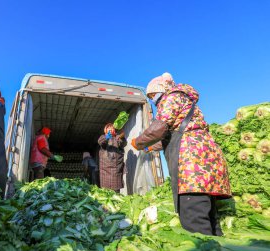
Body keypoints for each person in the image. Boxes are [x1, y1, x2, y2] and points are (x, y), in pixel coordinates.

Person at [131, 72, 231, 236]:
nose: (152, 100)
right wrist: (149, 147)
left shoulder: (172, 97)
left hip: (193, 170)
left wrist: (138, 142)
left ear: (162, 89)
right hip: (205, 169)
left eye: (152, 95)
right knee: (211, 222)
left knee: (195, 224)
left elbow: (159, 128)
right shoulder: (185, 101)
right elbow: (173, 134)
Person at [98, 123, 127, 193]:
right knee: (106, 190)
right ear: (105, 130)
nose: (111, 129)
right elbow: (101, 142)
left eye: (112, 128)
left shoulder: (118, 137)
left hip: (116, 167)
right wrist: (108, 136)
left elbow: (123, 144)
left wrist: (122, 137)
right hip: (105, 168)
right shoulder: (103, 136)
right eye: (109, 128)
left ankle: (116, 201)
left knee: (116, 189)